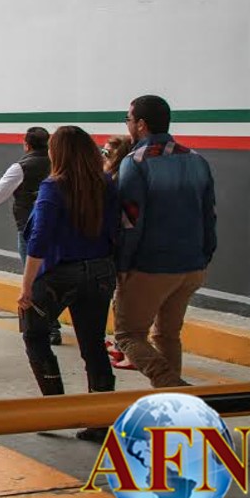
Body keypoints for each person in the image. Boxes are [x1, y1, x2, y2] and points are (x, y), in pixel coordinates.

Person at [15, 126, 120, 442]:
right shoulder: (106, 184)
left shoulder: (53, 186)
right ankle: (101, 420)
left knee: (34, 333)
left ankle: (56, 409)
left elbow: (39, 238)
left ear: (57, 153)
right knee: (93, 344)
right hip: (101, 270)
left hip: (59, 275)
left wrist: (26, 285)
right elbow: (117, 229)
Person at [114, 95, 217, 388]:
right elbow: (209, 214)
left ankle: (173, 385)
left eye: (129, 120)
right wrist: (204, 253)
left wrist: (122, 265)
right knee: (167, 335)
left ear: (141, 125)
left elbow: (130, 222)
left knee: (128, 336)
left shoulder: (135, 163)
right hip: (192, 265)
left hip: (151, 267)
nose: (128, 125)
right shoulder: (197, 160)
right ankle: (177, 407)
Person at [0, 126, 62, 346]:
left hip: (30, 228)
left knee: (35, 277)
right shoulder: (56, 163)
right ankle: (51, 324)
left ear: (26, 144)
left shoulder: (21, 167)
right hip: (58, 229)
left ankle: (48, 326)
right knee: (51, 276)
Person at [101, 134, 136, 370]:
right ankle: (121, 345)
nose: (103, 157)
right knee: (119, 300)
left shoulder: (119, 180)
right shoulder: (117, 177)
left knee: (125, 303)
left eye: (106, 153)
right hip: (120, 248)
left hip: (124, 249)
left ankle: (130, 351)